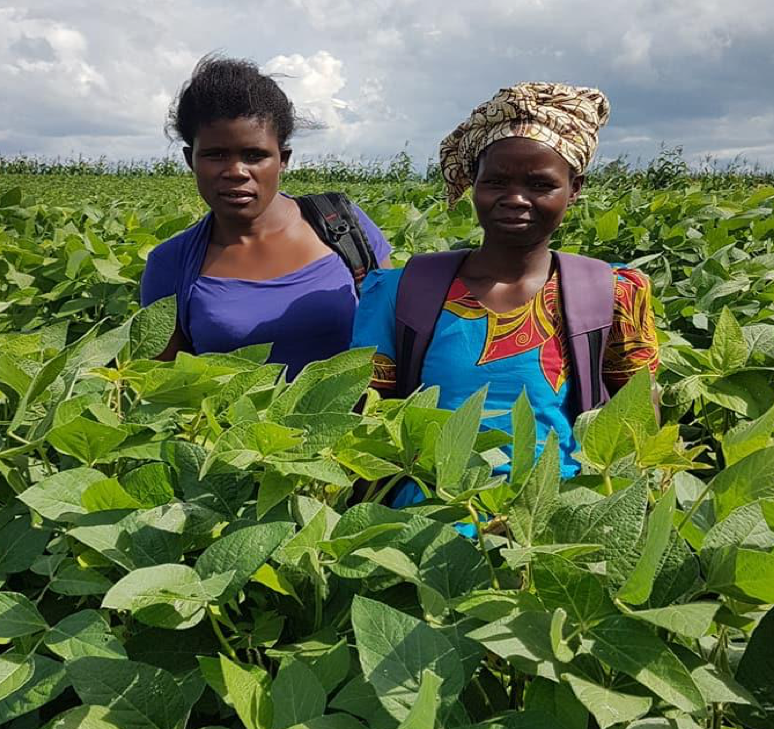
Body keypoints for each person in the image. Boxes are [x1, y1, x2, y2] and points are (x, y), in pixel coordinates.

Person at [351, 82, 659, 481]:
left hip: (553, 521)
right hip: (429, 516)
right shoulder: (403, 291)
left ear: (575, 190)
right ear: (474, 184)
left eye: (540, 184)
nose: (515, 198)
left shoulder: (612, 294)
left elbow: (640, 416)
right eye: (496, 181)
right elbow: (367, 414)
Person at [141, 55, 391, 376]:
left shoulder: (342, 226)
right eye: (215, 154)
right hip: (236, 428)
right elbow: (166, 388)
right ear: (191, 159)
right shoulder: (172, 264)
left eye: (255, 155)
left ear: (283, 159)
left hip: (358, 426)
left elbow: (392, 339)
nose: (236, 171)